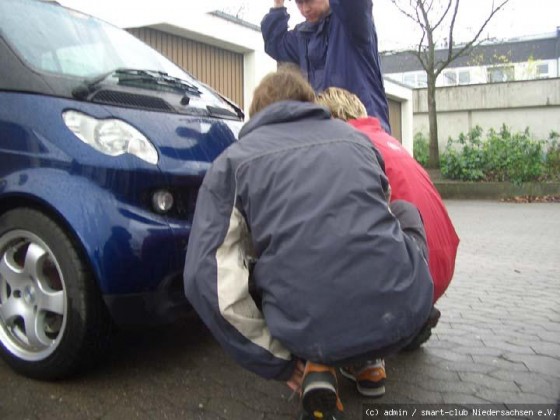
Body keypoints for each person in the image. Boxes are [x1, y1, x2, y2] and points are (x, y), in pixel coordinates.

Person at [183, 68, 434, 420]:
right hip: (400, 318)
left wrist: (276, 361)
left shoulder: (232, 163)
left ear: (257, 113)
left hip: (306, 329)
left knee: (259, 263)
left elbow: (204, 278)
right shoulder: (357, 142)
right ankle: (368, 362)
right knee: (402, 212)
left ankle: (315, 366)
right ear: (309, 103)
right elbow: (378, 220)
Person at [316, 86, 460, 340]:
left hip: (411, 272)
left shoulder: (351, 146)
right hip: (440, 264)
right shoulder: (387, 141)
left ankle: (390, 322)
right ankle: (415, 312)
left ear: (334, 118)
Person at [261, 0, 392, 134]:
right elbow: (275, 43)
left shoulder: (353, 21)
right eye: (299, 3)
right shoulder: (303, 35)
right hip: (327, 132)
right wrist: (278, 5)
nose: (305, 9)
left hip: (364, 129)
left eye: (310, 1)